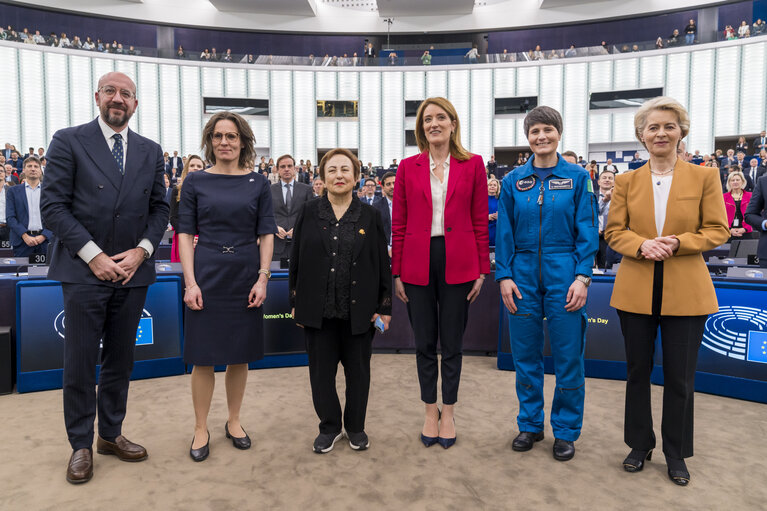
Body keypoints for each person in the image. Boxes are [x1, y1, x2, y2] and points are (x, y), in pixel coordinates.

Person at [41, 71, 170, 484]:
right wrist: (94, 255)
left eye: (126, 94)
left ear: (136, 104)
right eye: (111, 91)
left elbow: (160, 210)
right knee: (79, 361)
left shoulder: (151, 151)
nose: (119, 99)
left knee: (120, 360)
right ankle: (80, 444)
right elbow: (54, 207)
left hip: (132, 272)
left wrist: (142, 251)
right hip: (84, 271)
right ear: (97, 96)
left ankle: (110, 435)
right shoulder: (68, 140)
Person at [605, 97, 729, 486]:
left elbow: (717, 230)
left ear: (682, 132)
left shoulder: (705, 177)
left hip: (686, 291)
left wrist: (679, 243)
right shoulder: (625, 181)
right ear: (641, 135)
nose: (660, 133)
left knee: (680, 378)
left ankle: (676, 452)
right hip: (635, 289)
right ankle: (639, 444)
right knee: (637, 372)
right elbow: (613, 232)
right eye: (652, 127)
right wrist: (641, 245)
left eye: (668, 126)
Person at [495, 106, 598, 462]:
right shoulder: (512, 182)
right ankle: (530, 423)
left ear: (559, 133)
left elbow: (587, 229)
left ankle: (566, 430)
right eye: (535, 131)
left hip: (565, 271)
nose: (542, 136)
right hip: (521, 273)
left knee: (569, 357)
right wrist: (504, 276)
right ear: (527, 137)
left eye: (548, 130)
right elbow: (504, 233)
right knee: (525, 356)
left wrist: (583, 276)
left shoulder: (579, 177)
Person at [391, 97, 489, 450]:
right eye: (427, 119)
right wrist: (397, 272)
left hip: (460, 261)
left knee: (451, 342)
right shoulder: (406, 167)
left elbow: (480, 220)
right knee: (423, 343)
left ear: (452, 124)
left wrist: (481, 270)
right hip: (417, 260)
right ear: (421, 128)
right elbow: (398, 223)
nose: (434, 123)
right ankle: (429, 410)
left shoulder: (473, 164)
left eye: (440, 117)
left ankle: (449, 411)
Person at [177, 112, 276, 462]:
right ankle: (201, 427)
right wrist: (190, 282)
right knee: (203, 357)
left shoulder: (258, 183)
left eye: (231, 136)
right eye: (218, 136)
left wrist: (262, 277)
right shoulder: (195, 182)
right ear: (210, 141)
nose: (224, 142)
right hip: (206, 273)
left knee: (240, 355)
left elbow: (266, 234)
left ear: (243, 141)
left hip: (246, 274)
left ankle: (234, 421)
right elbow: (185, 235)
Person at [289, 148, 391, 453]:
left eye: (345, 170)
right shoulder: (308, 212)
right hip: (317, 310)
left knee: (358, 374)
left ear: (357, 177)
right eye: (332, 170)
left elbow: (381, 264)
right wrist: (294, 301)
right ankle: (330, 426)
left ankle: (355, 426)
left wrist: (384, 307)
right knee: (321, 375)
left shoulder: (370, 215)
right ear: (322, 177)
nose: (339, 175)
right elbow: (296, 260)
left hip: (359, 312)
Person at [7, 155, 53, 257]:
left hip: (45, 242)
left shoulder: (49, 192)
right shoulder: (13, 191)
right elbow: (10, 217)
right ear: (23, 170)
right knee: (23, 273)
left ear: (41, 171)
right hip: (22, 242)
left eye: (36, 166)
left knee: (47, 273)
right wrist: (25, 236)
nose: (33, 169)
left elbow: (55, 216)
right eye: (29, 166)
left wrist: (44, 235)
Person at [271, 154, 313, 261]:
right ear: (278, 170)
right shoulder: (269, 190)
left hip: (300, 244)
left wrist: (300, 228)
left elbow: (311, 215)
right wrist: (274, 227)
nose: (286, 169)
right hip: (276, 245)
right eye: (283, 167)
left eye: (289, 166)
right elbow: (264, 215)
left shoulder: (306, 189)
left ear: (294, 169)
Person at [169, 155, 205, 263]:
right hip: (182, 236)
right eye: (192, 165)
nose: (195, 168)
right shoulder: (176, 190)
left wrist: (200, 236)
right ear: (187, 169)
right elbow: (173, 217)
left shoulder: (209, 192)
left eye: (199, 166)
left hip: (202, 238)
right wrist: (189, 235)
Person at [723, 171, 753, 240]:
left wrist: (745, 229)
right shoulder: (723, 197)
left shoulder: (751, 196)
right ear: (729, 183)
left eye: (738, 180)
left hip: (746, 232)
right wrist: (729, 230)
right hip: (728, 233)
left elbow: (754, 215)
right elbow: (720, 216)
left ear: (742, 181)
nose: (735, 182)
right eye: (732, 180)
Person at [596, 170, 616, 268]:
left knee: (605, 267)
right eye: (604, 178)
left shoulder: (619, 197)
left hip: (609, 238)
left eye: (610, 178)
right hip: (593, 235)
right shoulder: (590, 195)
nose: (607, 180)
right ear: (598, 182)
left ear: (614, 182)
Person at [373, 171, 395, 255]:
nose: (392, 186)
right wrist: (388, 248)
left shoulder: (408, 205)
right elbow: (375, 232)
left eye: (394, 183)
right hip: (383, 251)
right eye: (388, 184)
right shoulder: (376, 207)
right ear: (383, 187)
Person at [487, 177, 500, 247]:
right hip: (486, 229)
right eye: (490, 185)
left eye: (494, 185)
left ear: (497, 187)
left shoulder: (501, 199)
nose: (492, 186)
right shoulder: (481, 199)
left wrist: (500, 216)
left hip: (498, 230)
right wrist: (487, 217)